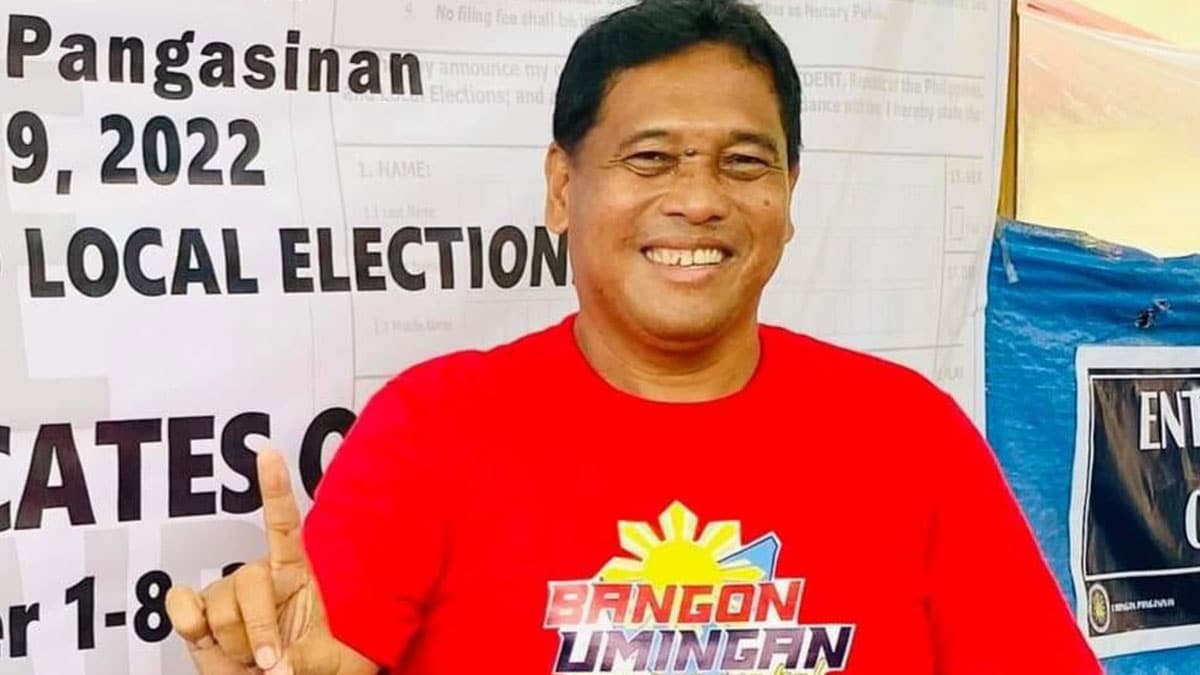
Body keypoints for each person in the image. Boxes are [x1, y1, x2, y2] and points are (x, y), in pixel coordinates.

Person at [164, 0, 1103, 673]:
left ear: (786, 199)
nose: (698, 199)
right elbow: (317, 657)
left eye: (744, 163)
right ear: (563, 190)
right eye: (650, 158)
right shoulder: (434, 427)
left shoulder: (909, 433)